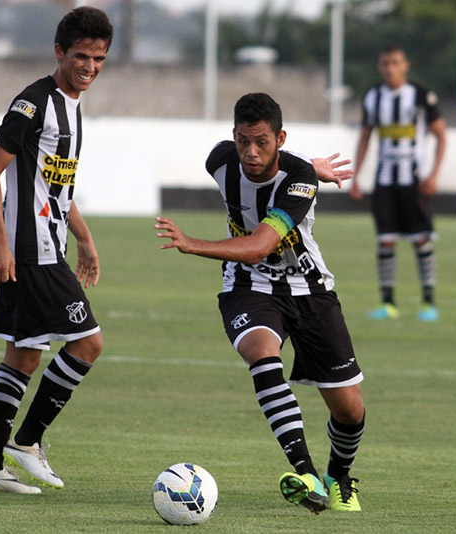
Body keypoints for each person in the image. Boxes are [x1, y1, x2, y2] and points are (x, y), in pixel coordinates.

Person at [155, 93, 365, 513]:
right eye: (243, 140)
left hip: (310, 289)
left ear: (280, 139)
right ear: (233, 137)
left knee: (349, 410)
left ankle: (337, 474)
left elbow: (259, 245)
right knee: (261, 354)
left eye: (263, 143)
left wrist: (192, 244)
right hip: (247, 286)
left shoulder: (300, 179)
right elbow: (249, 260)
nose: (251, 152)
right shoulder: (220, 161)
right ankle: (307, 476)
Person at [0, 7, 113, 495]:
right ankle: (27, 441)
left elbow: (55, 186)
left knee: (25, 355)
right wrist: (0, 243)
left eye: (98, 58)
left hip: (49, 245)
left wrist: (86, 237)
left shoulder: (72, 104)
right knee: (88, 343)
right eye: (81, 56)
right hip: (31, 253)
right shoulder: (33, 102)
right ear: (59, 51)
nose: (89, 66)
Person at [350, 44, 446, 322]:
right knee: (385, 241)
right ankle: (388, 302)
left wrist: (434, 174)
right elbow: (366, 136)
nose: (390, 68)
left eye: (395, 63)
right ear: (380, 67)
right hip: (384, 179)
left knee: (421, 239)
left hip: (413, 179)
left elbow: (441, 135)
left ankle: (429, 302)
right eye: (385, 64)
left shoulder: (419, 95)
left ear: (405, 65)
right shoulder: (373, 97)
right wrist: (356, 177)